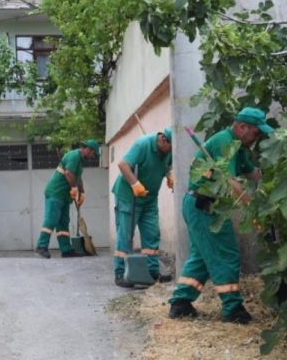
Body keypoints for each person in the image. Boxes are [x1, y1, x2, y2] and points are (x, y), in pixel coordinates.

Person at [167, 107, 274, 324]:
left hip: (200, 205)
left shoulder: (238, 146)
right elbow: (231, 183)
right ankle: (232, 309)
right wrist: (254, 210)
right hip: (204, 206)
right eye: (256, 132)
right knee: (226, 255)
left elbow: (252, 174)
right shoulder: (225, 142)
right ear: (242, 127)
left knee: (201, 258)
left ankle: (180, 303)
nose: (257, 137)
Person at [112, 127, 175, 288]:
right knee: (126, 234)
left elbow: (167, 165)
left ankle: (152, 272)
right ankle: (120, 273)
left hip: (149, 198)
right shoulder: (143, 145)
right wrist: (135, 183)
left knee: (152, 233)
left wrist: (169, 175)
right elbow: (123, 164)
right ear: (163, 140)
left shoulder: (169, 149)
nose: (172, 152)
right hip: (129, 196)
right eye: (171, 147)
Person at [35, 140, 100, 259]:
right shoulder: (74, 156)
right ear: (88, 149)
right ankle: (41, 246)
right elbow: (69, 173)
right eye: (93, 154)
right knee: (51, 219)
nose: (93, 157)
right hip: (56, 192)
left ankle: (66, 250)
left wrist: (82, 193)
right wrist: (74, 189)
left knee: (63, 222)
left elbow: (78, 178)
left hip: (64, 195)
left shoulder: (80, 161)